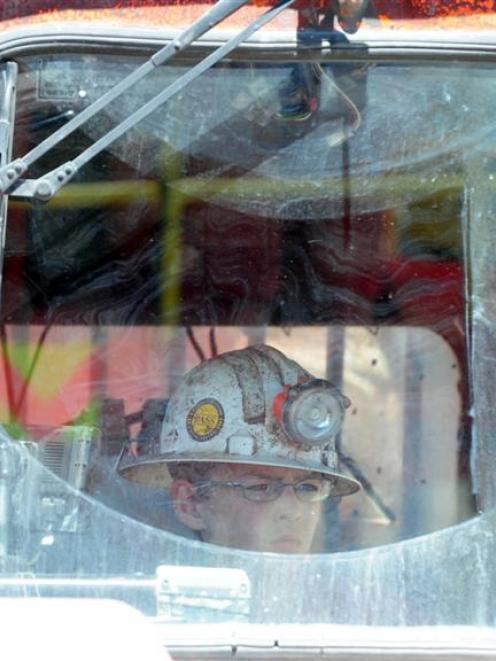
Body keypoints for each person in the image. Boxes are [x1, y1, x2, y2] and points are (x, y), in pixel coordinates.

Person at [119, 344, 360, 554]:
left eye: (309, 488)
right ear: (190, 503)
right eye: (261, 487)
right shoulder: (142, 602)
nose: (293, 511)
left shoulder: (344, 603)